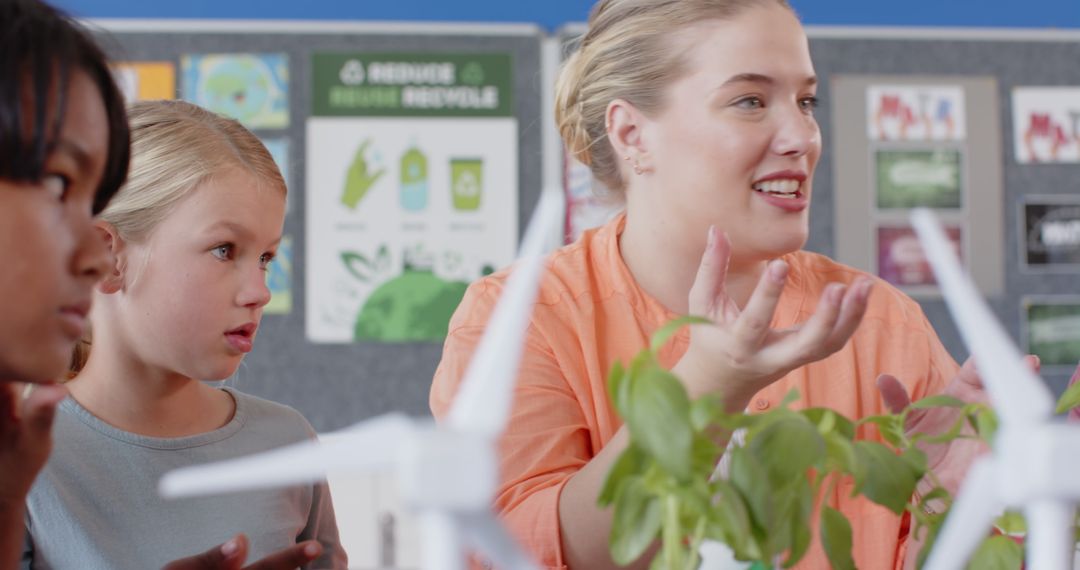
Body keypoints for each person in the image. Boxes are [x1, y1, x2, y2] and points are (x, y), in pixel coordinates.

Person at [430, 1, 985, 568]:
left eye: (806, 101)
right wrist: (708, 386)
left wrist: (959, 509)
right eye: (750, 101)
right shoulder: (522, 318)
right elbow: (515, 551)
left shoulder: (881, 324)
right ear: (631, 134)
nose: (802, 136)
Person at [20, 99, 347, 569]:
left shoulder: (286, 442)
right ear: (108, 256)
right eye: (223, 250)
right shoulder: (23, 459)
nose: (260, 292)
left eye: (266, 258)